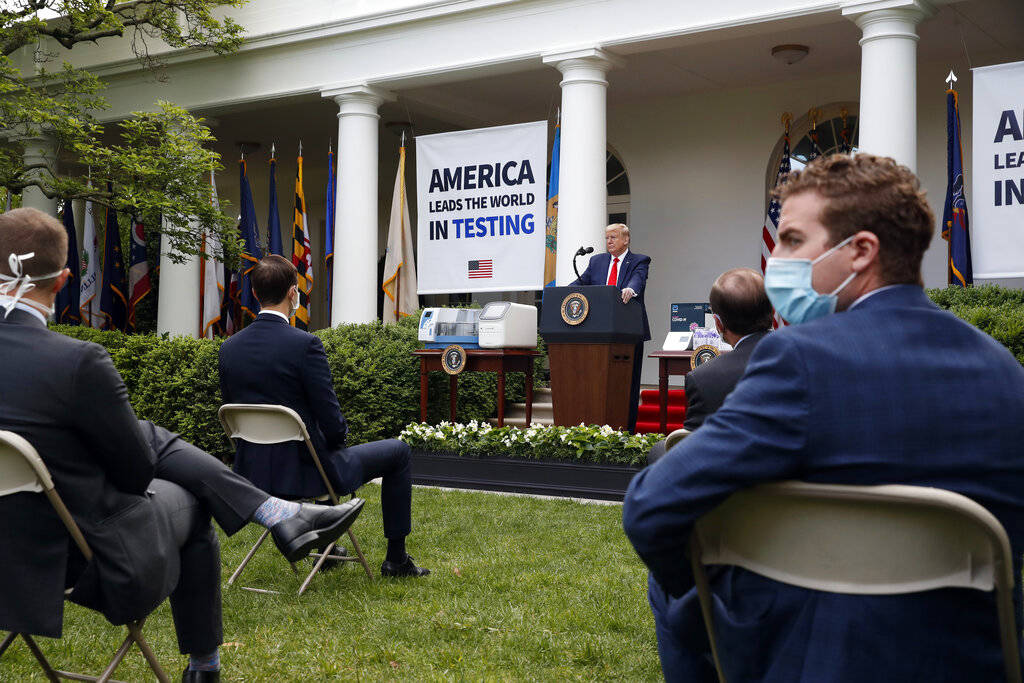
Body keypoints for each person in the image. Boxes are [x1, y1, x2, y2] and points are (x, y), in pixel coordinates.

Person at [623, 154, 1024, 682]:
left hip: (814, 657)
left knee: (669, 589)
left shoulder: (799, 359)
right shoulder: (1004, 369)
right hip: (975, 656)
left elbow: (651, 507)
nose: (775, 261)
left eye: (791, 240)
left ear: (861, 251)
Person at [0, 209, 365, 683]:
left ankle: (279, 513)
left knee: (145, 435)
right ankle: (207, 660)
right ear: (64, 280)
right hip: (75, 560)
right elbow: (135, 476)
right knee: (192, 500)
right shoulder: (77, 364)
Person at [219, 255, 429, 578]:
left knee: (317, 444)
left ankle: (326, 550)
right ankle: (397, 560)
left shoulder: (229, 348)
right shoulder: (305, 345)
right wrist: (337, 440)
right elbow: (332, 424)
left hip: (254, 477)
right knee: (397, 451)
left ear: (256, 294)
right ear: (293, 293)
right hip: (310, 474)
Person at [646, 268, 771, 465]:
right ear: (772, 312)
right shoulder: (807, 359)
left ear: (718, 324)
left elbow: (695, 450)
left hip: (731, 474)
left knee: (659, 450)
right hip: (799, 472)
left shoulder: (704, 378)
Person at [571, 223, 651, 431]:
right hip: (598, 333)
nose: (609, 241)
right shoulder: (597, 261)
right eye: (607, 238)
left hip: (628, 331)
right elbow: (580, 283)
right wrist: (562, 293)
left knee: (627, 384)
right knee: (597, 383)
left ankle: (627, 431)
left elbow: (637, 280)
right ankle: (596, 428)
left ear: (626, 239)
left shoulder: (639, 260)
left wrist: (630, 290)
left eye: (613, 237)